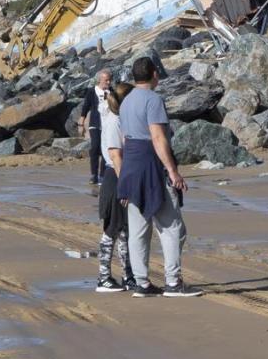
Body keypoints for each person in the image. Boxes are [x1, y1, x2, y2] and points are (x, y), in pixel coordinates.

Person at [117, 57, 201, 297]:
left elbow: (124, 140)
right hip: (150, 165)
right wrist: (173, 171)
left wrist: (124, 180)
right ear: (154, 74)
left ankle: (141, 283)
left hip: (131, 167)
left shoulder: (125, 102)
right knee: (173, 226)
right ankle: (173, 282)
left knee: (138, 229)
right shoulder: (153, 100)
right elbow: (157, 138)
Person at [95, 81, 139, 293]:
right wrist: (126, 185)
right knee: (111, 229)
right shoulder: (114, 120)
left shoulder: (120, 117)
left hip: (119, 175)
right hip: (115, 177)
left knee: (124, 231)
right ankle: (103, 277)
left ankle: (128, 276)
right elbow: (115, 155)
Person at [83, 71, 108, 186]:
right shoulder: (92, 91)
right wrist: (82, 119)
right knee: (95, 147)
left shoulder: (111, 92)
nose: (108, 82)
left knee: (105, 150)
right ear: (99, 80)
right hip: (95, 124)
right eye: (106, 80)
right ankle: (94, 174)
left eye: (109, 80)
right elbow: (86, 105)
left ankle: (102, 175)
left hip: (107, 125)